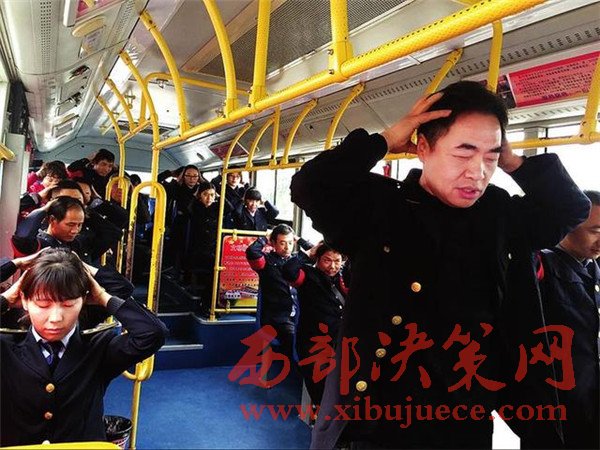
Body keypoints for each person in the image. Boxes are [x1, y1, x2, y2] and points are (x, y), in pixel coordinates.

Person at [290, 81, 590, 449]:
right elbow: (310, 185)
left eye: (491, 157)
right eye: (464, 152)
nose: (478, 172)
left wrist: (511, 160)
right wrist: (383, 140)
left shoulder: (500, 216)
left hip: (462, 421)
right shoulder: (380, 208)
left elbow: (570, 208)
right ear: (423, 148)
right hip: (376, 420)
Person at [0, 248, 168, 446]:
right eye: (43, 305)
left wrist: (103, 296)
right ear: (24, 300)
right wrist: (5, 298)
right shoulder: (7, 348)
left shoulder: (99, 349)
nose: (56, 318)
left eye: (69, 304)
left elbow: (153, 333)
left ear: (85, 300)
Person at [524, 190, 599, 449]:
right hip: (557, 409)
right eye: (595, 231)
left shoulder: (595, 270)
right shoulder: (540, 266)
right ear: (568, 225)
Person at [282, 242, 348, 406]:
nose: (332, 266)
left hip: (340, 340)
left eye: (337, 261)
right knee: (322, 389)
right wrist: (308, 253)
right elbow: (288, 272)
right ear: (317, 259)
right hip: (314, 344)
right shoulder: (307, 275)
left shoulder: (341, 279)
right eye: (327, 260)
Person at [246, 224, 313, 360]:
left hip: (298, 314)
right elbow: (252, 252)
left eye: (290, 243)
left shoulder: (296, 260)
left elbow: (314, 252)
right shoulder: (266, 262)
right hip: (277, 317)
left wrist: (298, 239)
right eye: (282, 243)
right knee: (295, 337)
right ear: (273, 243)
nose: (287, 247)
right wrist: (265, 239)